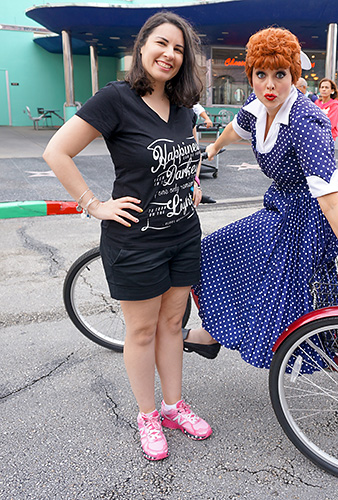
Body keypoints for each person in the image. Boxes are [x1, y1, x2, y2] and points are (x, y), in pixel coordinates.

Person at [182, 27, 338, 369]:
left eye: (280, 75)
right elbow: (235, 129)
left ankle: (217, 335)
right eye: (261, 75)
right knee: (228, 255)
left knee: (222, 252)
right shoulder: (258, 106)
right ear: (251, 76)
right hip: (282, 206)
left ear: (294, 76)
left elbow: (332, 201)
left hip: (307, 217)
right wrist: (211, 148)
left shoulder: (306, 123)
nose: (269, 85)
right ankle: (215, 333)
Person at [43, 11, 212, 461]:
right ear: (142, 48)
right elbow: (56, 151)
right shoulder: (116, 99)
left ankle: (174, 406)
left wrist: (192, 183)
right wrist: (94, 205)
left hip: (182, 234)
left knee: (172, 325)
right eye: (162, 44)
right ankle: (147, 415)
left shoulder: (181, 106)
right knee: (141, 332)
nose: (170, 54)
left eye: (179, 49)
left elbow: (187, 153)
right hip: (135, 240)